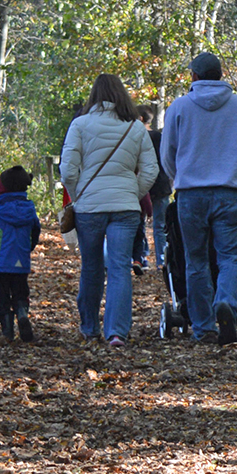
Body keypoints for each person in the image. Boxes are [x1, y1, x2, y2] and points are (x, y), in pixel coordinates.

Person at [159, 52, 237, 345]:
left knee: (195, 260)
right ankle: (225, 302)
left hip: (191, 194)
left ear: (195, 77)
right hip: (230, 192)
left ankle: (203, 327)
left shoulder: (178, 108)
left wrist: (180, 179)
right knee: (229, 257)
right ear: (220, 75)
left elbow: (168, 154)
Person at [60, 73, 159, 345]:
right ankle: (116, 332)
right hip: (126, 207)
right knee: (119, 268)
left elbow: (68, 169)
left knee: (91, 267)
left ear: (94, 95)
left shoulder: (80, 124)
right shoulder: (136, 128)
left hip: (89, 207)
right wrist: (133, 193)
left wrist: (78, 196)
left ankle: (90, 327)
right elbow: (151, 169)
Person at [0, 165, 41, 343]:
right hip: (21, 262)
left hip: (0, 263)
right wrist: (27, 249)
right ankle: (22, 313)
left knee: (2, 297)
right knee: (21, 292)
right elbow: (35, 232)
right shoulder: (30, 209)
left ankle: (7, 331)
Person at [134, 104, 172, 273]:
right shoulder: (160, 137)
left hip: (141, 184)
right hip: (161, 184)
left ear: (140, 119)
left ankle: (141, 257)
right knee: (160, 225)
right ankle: (161, 261)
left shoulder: (136, 137)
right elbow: (168, 158)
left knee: (139, 222)